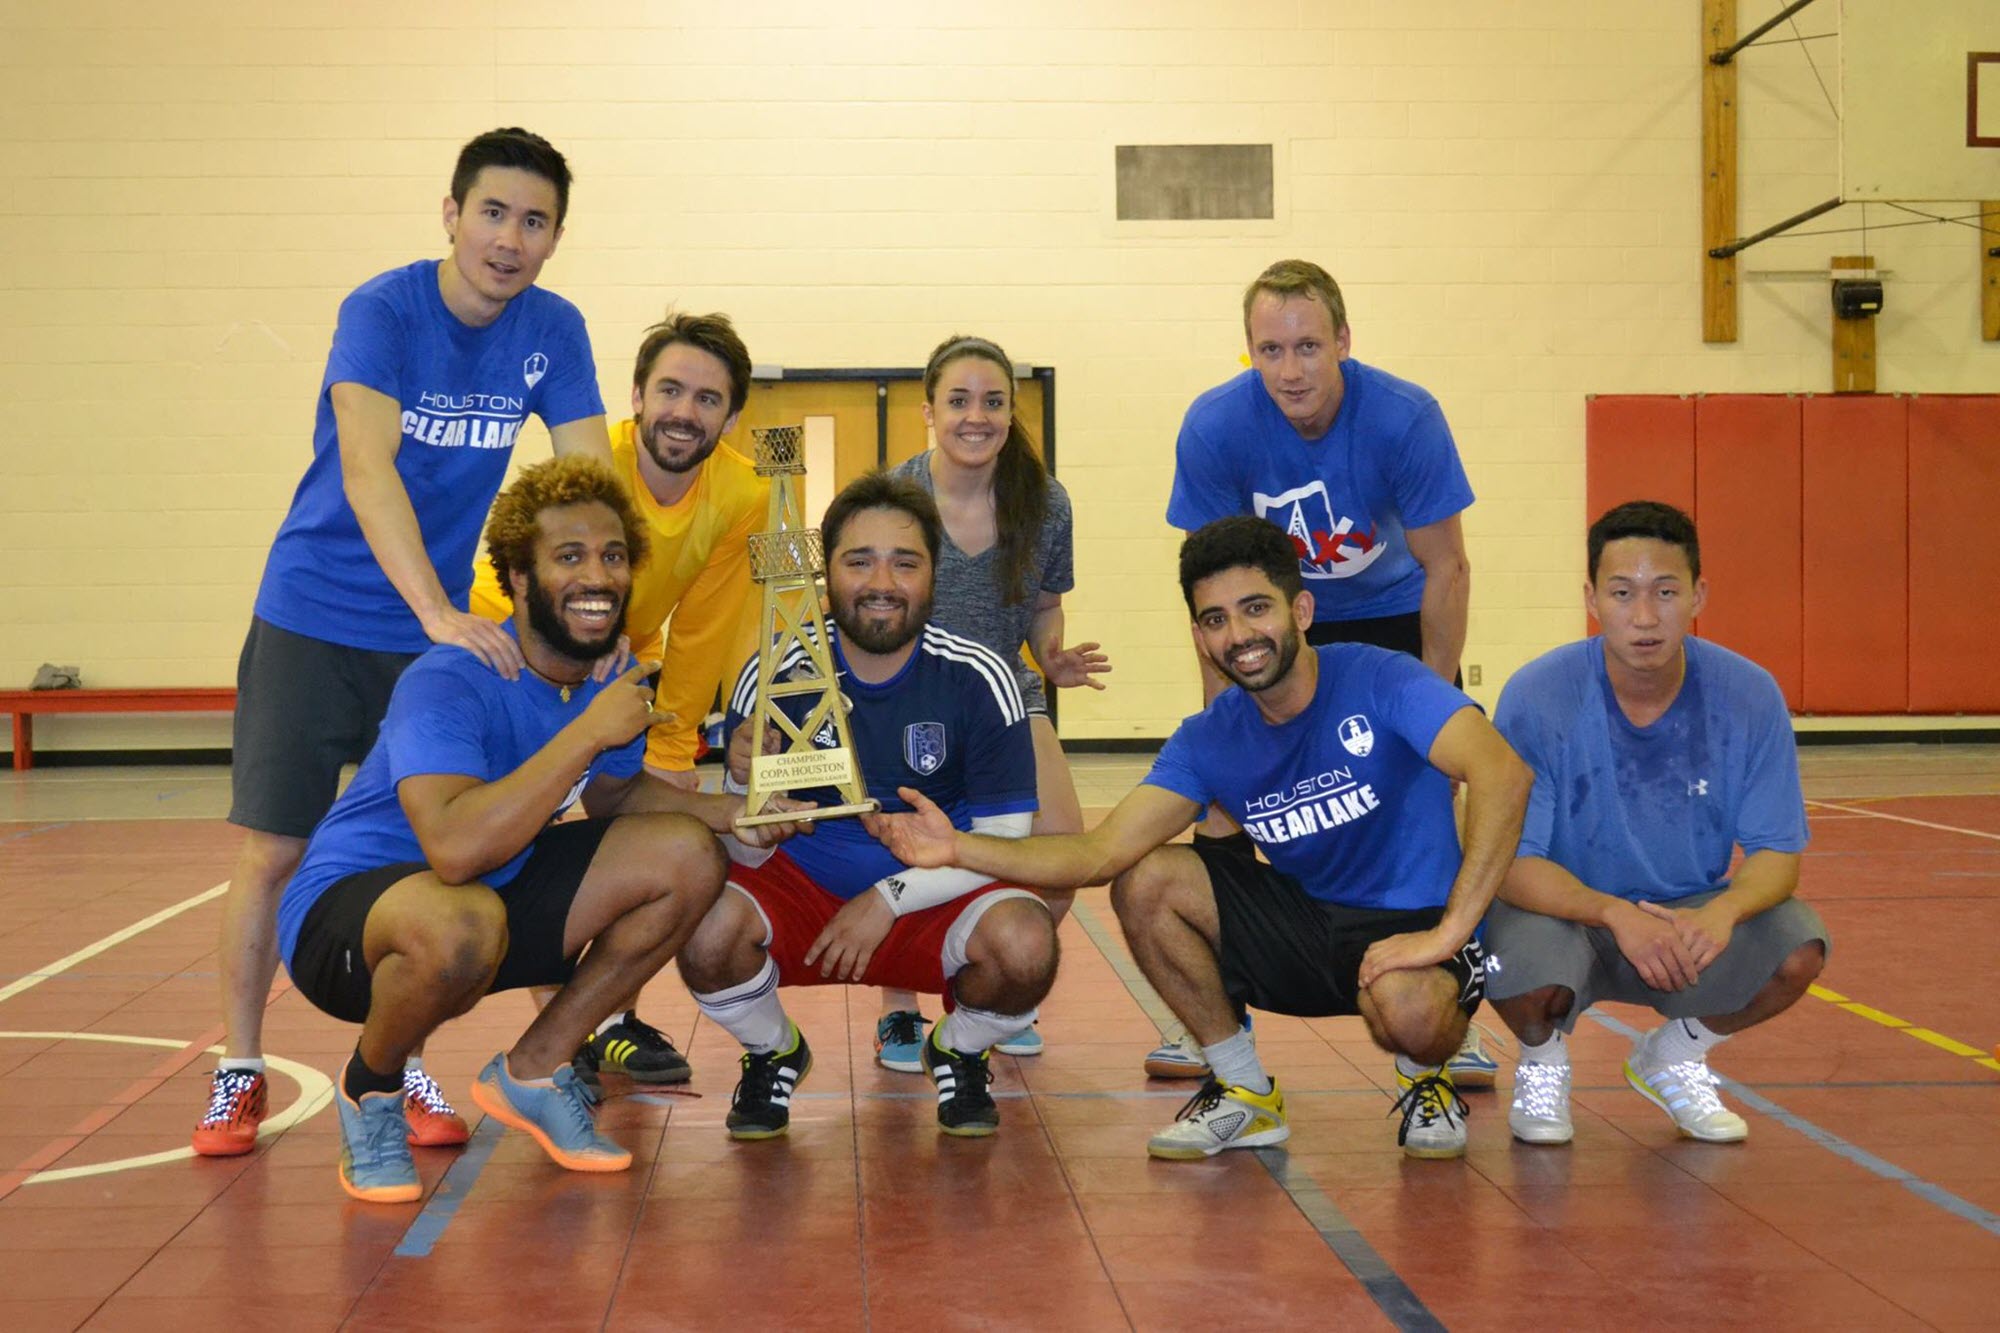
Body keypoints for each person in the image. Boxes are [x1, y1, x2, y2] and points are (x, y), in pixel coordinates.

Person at [869, 516, 1531, 1160]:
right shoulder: (1211, 737)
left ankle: (1426, 1077)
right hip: (1309, 921)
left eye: (1255, 609)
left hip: (1415, 927)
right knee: (1148, 877)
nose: (1239, 635)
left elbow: (1503, 774)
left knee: (1410, 1011)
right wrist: (955, 846)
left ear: (1301, 609)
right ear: (1198, 635)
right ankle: (1244, 1088)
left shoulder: (1382, 678)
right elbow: (1098, 853)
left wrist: (1449, 933)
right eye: (1215, 619)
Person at [199, 128, 613, 1156]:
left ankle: (404, 1064)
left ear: (556, 236)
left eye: (534, 221)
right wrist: (434, 612)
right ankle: (236, 1068)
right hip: (318, 612)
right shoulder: (382, 310)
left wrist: (605, 607)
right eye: (492, 213)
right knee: (274, 846)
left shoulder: (553, 329)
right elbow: (366, 464)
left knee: (430, 857)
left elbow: (589, 477)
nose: (509, 240)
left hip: (440, 630)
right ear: (450, 213)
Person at [275, 457, 798, 1202]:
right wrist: (586, 731)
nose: (599, 575)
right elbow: (453, 849)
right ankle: (372, 1086)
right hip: (353, 919)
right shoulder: (450, 676)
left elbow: (616, 801)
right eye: (571, 556)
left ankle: (534, 1068)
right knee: (462, 918)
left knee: (686, 854)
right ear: (519, 578)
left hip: (490, 893)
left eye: (613, 556)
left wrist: (732, 811)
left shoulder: (601, 679)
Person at [1153, 257, 1487, 1086]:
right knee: (1222, 806)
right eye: (1270, 350)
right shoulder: (1216, 427)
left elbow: (1446, 567)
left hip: (1388, 614)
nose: (1291, 370)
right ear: (1249, 354)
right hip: (1272, 617)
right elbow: (1214, 587)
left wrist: (1431, 708)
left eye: (1308, 346)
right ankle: (1212, 1014)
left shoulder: (1405, 418)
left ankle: (1444, 1004)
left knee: (1420, 797)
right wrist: (1223, 733)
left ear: (1344, 340)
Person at [678, 472, 1059, 1140]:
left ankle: (960, 1050)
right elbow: (739, 848)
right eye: (859, 560)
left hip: (932, 899)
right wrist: (754, 812)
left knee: (1028, 946)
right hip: (803, 891)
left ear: (933, 576)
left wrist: (887, 897)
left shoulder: (981, 675)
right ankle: (774, 1050)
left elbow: (1007, 840)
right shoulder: (773, 673)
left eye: (904, 561)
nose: (882, 581)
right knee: (701, 927)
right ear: (827, 575)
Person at [469, 310, 768, 1089]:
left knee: (652, 840)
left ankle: (606, 1022)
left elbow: (706, 624)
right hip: (517, 652)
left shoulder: (742, 492)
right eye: (669, 389)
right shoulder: (592, 457)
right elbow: (522, 575)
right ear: (637, 395)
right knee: (513, 837)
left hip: (624, 666)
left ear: (732, 415)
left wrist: (672, 754)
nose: (684, 410)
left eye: (707, 398)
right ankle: (568, 1031)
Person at [1486, 501, 1826, 1146]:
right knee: (1519, 964)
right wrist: (1615, 913)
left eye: (1665, 592)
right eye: (1622, 593)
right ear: (1591, 597)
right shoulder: (1539, 694)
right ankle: (1543, 1063)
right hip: (1565, 911)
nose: (1644, 617)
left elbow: (1777, 853)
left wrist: (1722, 914)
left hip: (1686, 917)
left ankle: (1674, 1053)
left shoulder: (1749, 694)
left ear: (1698, 594)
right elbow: (1513, 863)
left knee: (1797, 947)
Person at [868, 333, 1108, 1069]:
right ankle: (899, 1009)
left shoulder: (1046, 501)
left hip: (1008, 692)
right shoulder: (894, 498)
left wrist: (1053, 650)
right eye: (960, 400)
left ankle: (992, 994)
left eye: (994, 401)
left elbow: (1042, 606)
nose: (977, 416)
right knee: (895, 849)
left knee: (1061, 854)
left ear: (1011, 412)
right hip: (910, 698)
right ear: (928, 410)